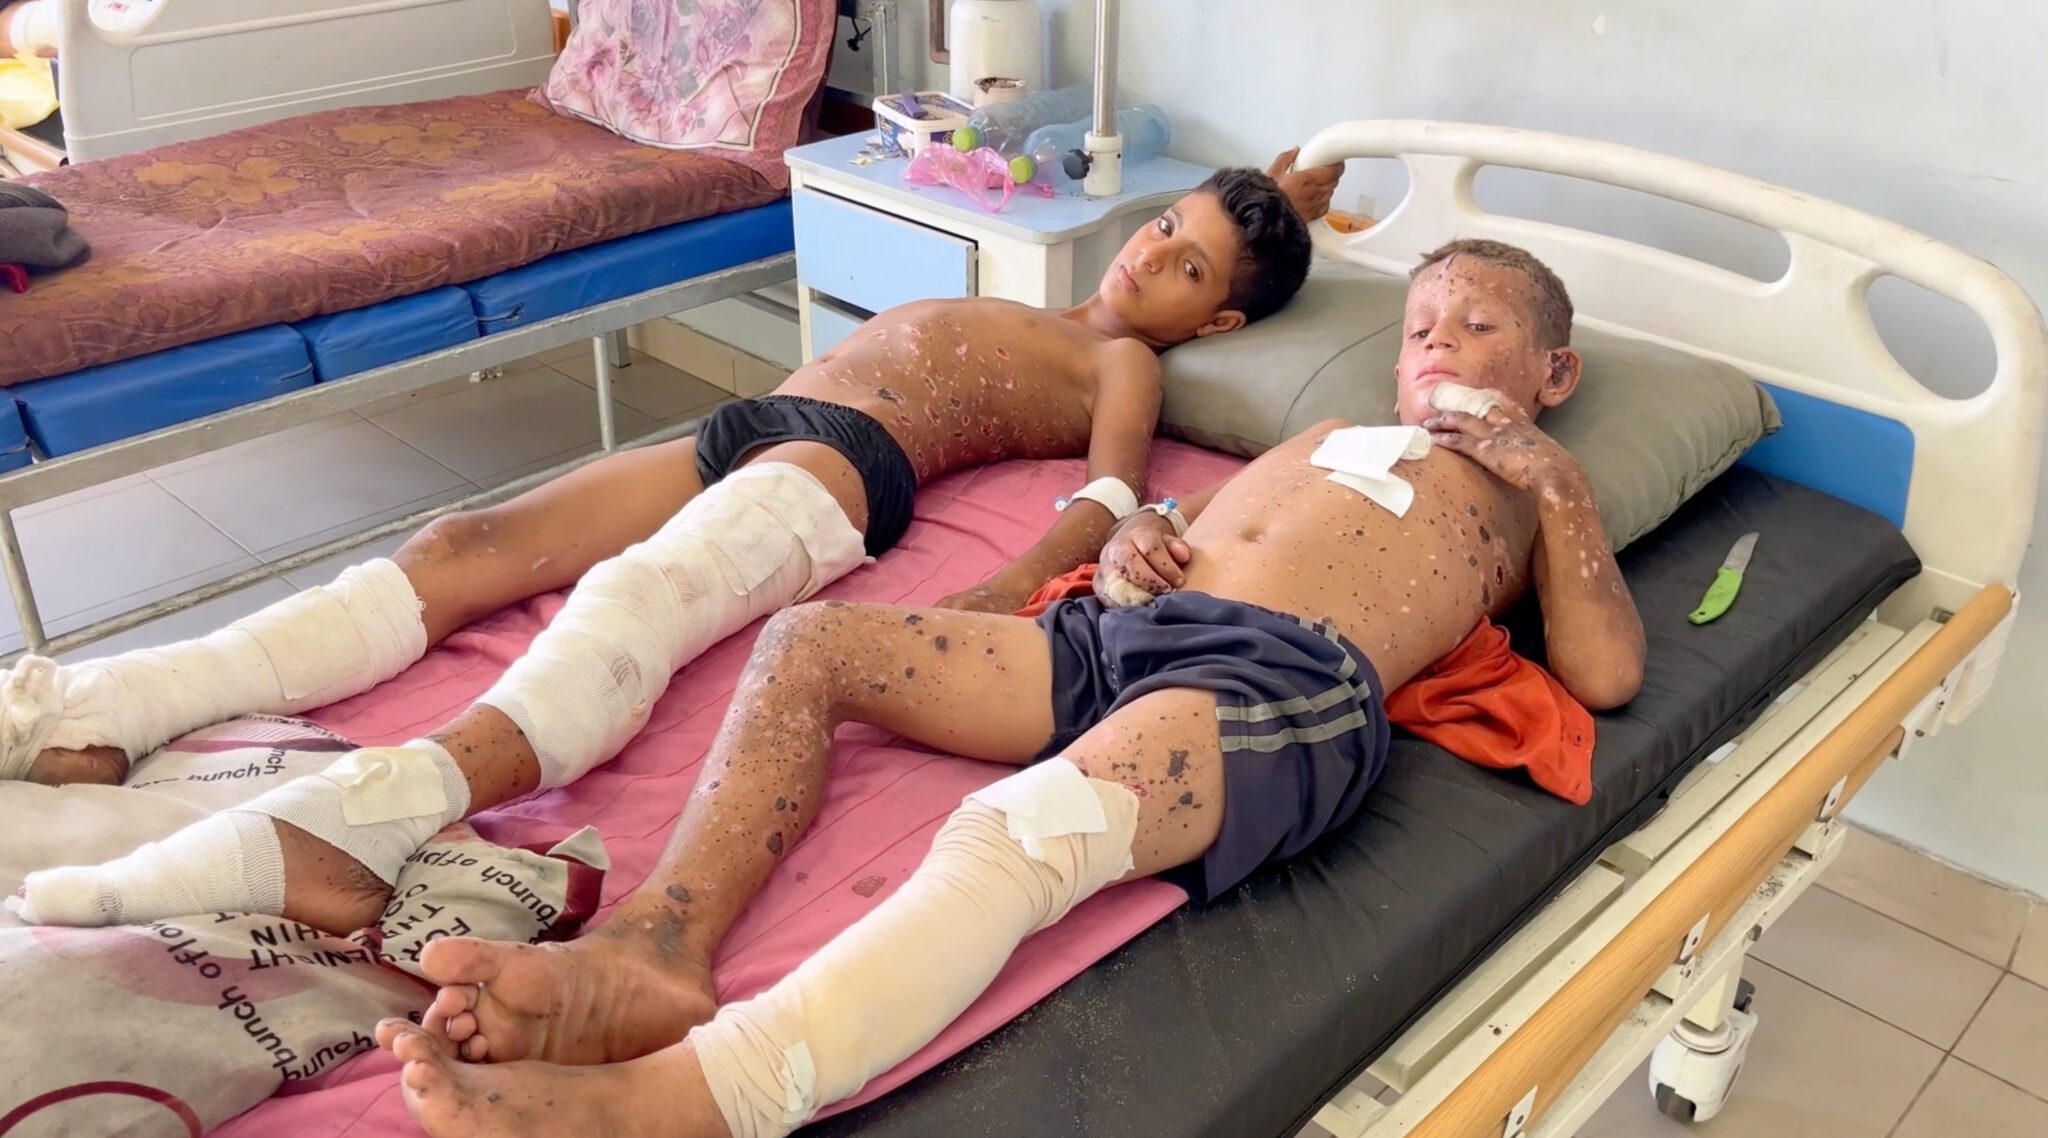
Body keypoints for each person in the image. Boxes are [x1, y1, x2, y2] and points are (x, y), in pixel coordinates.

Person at [372, 238, 1647, 1138]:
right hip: (1128, 630)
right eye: (1421, 327)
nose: (1438, 349)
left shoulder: (1524, 498)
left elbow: (1604, 672)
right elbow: (1184, 515)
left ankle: (711, 1101)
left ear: (1554, 373)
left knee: (1018, 832)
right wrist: (1143, 534)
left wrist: (1555, 485)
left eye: (1477, 329)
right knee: (810, 646)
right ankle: (659, 947)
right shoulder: (1316, 442)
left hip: (1281, 679)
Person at [8, 154, 1336, 934]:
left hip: (848, 463)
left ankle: (367, 819)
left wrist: (997, 591)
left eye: (1190, 272)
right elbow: (1261, 199)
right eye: (1165, 229)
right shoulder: (1066, 283)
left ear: (1216, 326)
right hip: (754, 419)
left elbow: (1105, 501)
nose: (1150, 260)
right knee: (464, 539)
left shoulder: (1124, 368)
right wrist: (1289, 183)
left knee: (637, 598)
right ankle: (110, 706)